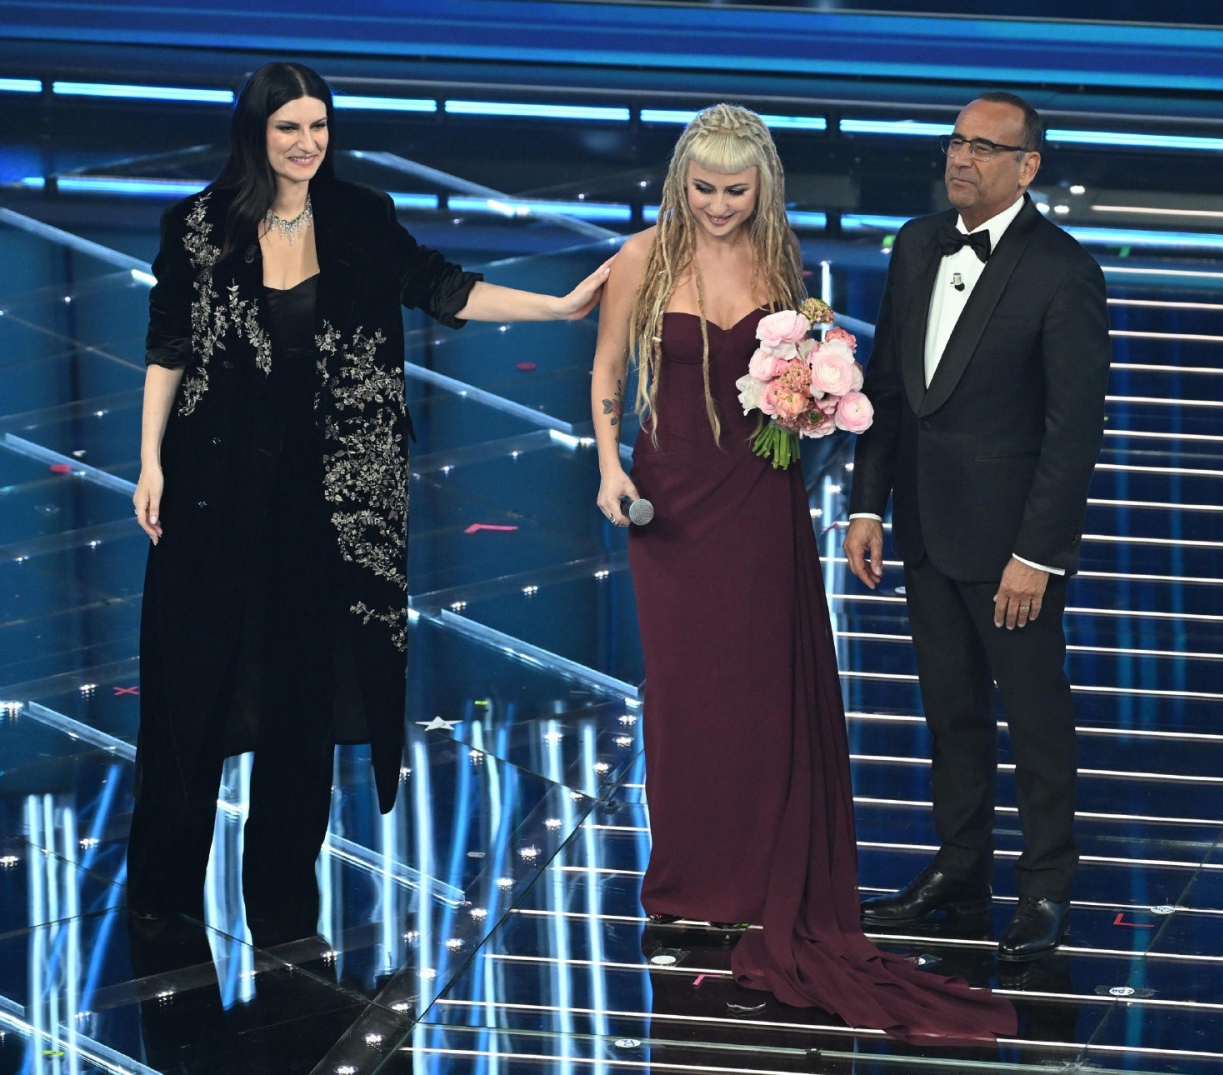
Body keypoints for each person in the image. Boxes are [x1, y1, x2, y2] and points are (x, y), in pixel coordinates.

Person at [128, 61, 608, 945]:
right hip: (213, 491)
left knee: (302, 699)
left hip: (331, 500)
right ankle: (162, 893)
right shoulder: (194, 226)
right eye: (288, 129)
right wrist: (148, 461)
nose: (308, 144)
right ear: (255, 135)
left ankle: (278, 890)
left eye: (318, 126)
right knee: (190, 686)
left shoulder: (359, 217)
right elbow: (169, 346)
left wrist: (563, 305)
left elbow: (444, 287)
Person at [591, 103, 1014, 1044]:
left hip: (759, 496)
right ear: (680, 180)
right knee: (687, 690)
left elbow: (808, 384)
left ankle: (755, 875)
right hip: (670, 499)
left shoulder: (784, 260)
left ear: (764, 185)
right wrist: (611, 466)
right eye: (703, 189)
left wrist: (817, 401)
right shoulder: (643, 258)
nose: (718, 206)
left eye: (736, 191)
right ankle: (692, 876)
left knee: (760, 688)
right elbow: (608, 368)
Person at [844, 91, 1111, 962]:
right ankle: (960, 875)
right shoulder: (918, 243)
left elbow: (1073, 433)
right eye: (955, 143)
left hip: (1013, 553)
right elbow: (887, 388)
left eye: (984, 149)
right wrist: (868, 502)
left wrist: (1037, 554)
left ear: (1027, 166)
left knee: (1035, 722)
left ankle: (1044, 890)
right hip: (923, 528)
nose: (961, 159)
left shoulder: (1063, 270)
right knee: (950, 714)